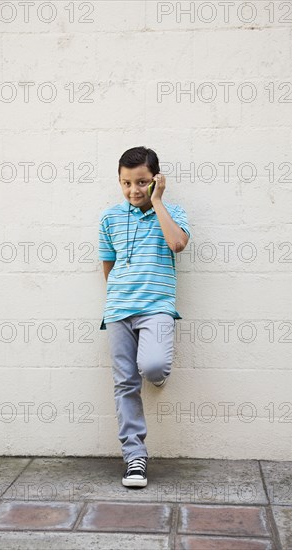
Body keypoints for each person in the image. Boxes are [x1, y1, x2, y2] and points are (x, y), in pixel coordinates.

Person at [98, 146, 191, 487]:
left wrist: (158, 203)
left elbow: (177, 244)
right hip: (119, 310)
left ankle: (155, 372)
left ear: (156, 180)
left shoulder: (173, 211)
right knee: (125, 384)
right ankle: (134, 458)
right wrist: (116, 300)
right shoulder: (109, 218)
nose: (133, 190)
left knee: (152, 366)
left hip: (157, 308)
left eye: (141, 182)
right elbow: (108, 265)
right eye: (126, 183)